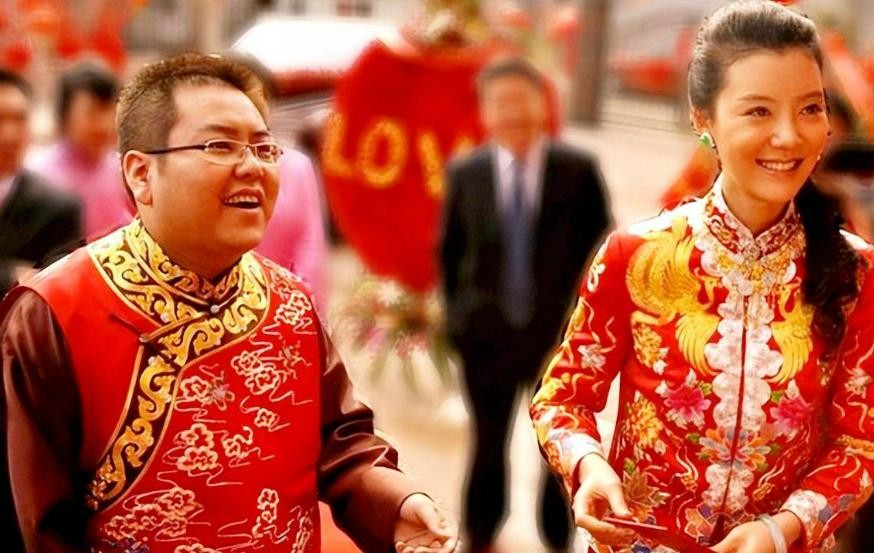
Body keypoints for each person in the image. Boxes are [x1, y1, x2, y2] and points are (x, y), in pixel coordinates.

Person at [1, 53, 457, 553]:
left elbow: (341, 442)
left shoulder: (288, 301)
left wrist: (397, 502)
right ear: (141, 173)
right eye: (220, 145)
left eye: (264, 148)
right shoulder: (54, 313)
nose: (253, 167)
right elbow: (38, 522)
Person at [530, 2, 874, 552]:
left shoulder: (858, 272)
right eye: (758, 111)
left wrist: (780, 529)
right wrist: (589, 466)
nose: (789, 136)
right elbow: (563, 398)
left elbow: (861, 443)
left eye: (810, 108)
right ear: (703, 119)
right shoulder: (635, 256)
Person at [439, 57, 611, 553]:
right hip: (485, 339)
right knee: (487, 442)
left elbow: (600, 252)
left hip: (557, 342)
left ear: (542, 104)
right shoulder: (467, 173)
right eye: (501, 102)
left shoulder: (576, 171)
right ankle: (480, 532)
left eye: (522, 99)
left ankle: (557, 537)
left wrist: (586, 332)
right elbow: (451, 253)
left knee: (557, 446)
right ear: (485, 113)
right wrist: (458, 323)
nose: (512, 112)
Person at [29, 61, 134, 242]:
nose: (104, 124)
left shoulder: (124, 169)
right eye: (92, 112)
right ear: (64, 115)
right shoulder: (39, 176)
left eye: (110, 111)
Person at [0, 69, 82, 296]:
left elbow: (57, 289)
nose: (9, 134)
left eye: (19, 119)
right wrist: (9, 275)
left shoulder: (58, 208)